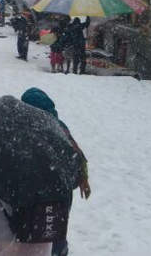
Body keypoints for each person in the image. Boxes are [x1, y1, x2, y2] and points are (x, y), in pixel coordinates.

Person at [20, 88, 91, 256]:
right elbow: (78, 154)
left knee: (40, 227)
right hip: (61, 190)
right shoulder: (59, 125)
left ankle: (54, 249)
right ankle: (59, 249)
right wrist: (83, 177)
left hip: (42, 190)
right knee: (56, 225)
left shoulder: (29, 128)